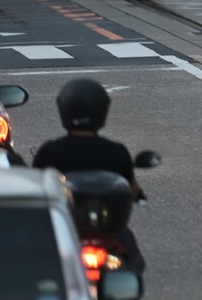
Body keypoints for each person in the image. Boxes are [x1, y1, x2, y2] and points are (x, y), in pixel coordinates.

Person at [33, 78, 145, 272]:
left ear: (64, 111)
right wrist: (140, 196)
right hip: (106, 228)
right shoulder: (116, 151)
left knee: (37, 258)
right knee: (132, 257)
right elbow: (130, 187)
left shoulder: (50, 151)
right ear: (102, 111)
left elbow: (37, 187)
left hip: (64, 225)